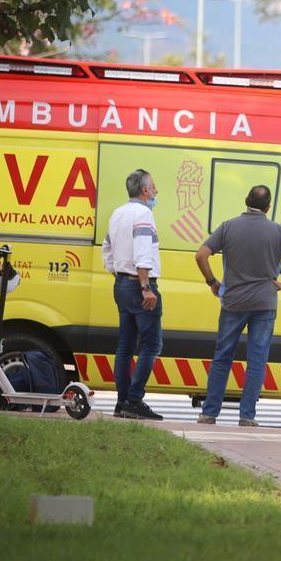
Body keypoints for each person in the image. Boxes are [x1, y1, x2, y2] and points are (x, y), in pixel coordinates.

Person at [194, 185, 281, 427]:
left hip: (233, 303)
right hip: (264, 304)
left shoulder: (228, 227)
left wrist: (212, 281)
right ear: (268, 207)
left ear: (246, 201)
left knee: (222, 357)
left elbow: (201, 255)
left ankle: (209, 413)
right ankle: (247, 416)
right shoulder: (277, 231)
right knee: (257, 360)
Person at [101, 169, 164, 420]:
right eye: (154, 187)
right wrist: (145, 287)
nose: (156, 191)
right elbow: (142, 251)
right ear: (145, 190)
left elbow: (107, 249)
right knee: (151, 345)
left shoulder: (118, 213)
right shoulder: (144, 214)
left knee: (125, 347)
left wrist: (118, 274)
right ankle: (134, 400)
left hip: (121, 284)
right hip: (140, 286)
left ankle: (121, 401)